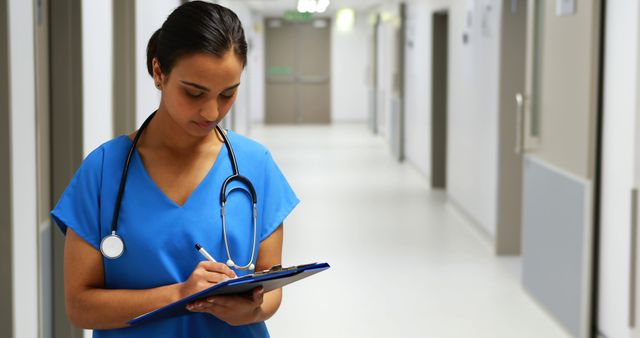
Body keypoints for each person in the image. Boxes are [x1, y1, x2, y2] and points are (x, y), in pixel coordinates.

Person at [50, 2, 299, 337]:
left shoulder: (255, 165)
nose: (211, 112)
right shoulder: (103, 170)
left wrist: (251, 309)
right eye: (193, 92)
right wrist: (180, 295)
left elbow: (271, 289)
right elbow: (80, 306)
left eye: (227, 94)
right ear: (159, 72)